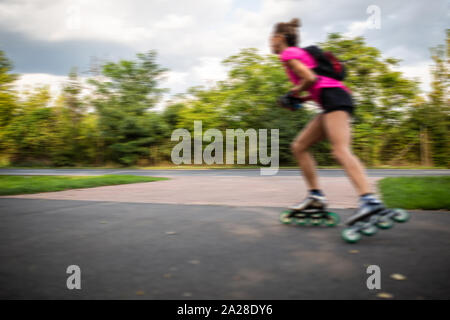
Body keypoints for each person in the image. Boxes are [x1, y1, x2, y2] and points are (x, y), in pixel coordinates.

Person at [270, 18, 385, 224]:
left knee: (340, 150)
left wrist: (293, 92)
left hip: (335, 99)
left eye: (271, 39)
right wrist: (299, 98)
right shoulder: (299, 54)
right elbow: (316, 83)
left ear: (279, 38)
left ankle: (370, 201)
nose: (270, 43)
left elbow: (310, 79)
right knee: (299, 146)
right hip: (329, 100)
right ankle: (316, 196)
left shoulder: (288, 54)